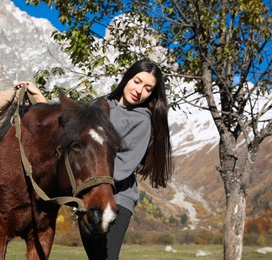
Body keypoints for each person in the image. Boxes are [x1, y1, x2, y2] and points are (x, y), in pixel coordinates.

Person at [17, 60, 173, 259]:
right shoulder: (101, 105)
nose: (139, 90)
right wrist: (39, 97)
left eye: (148, 88)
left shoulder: (142, 120)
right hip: (89, 196)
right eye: (137, 81)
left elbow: (123, 167)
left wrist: (89, 177)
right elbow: (71, 130)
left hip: (117, 198)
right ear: (127, 78)